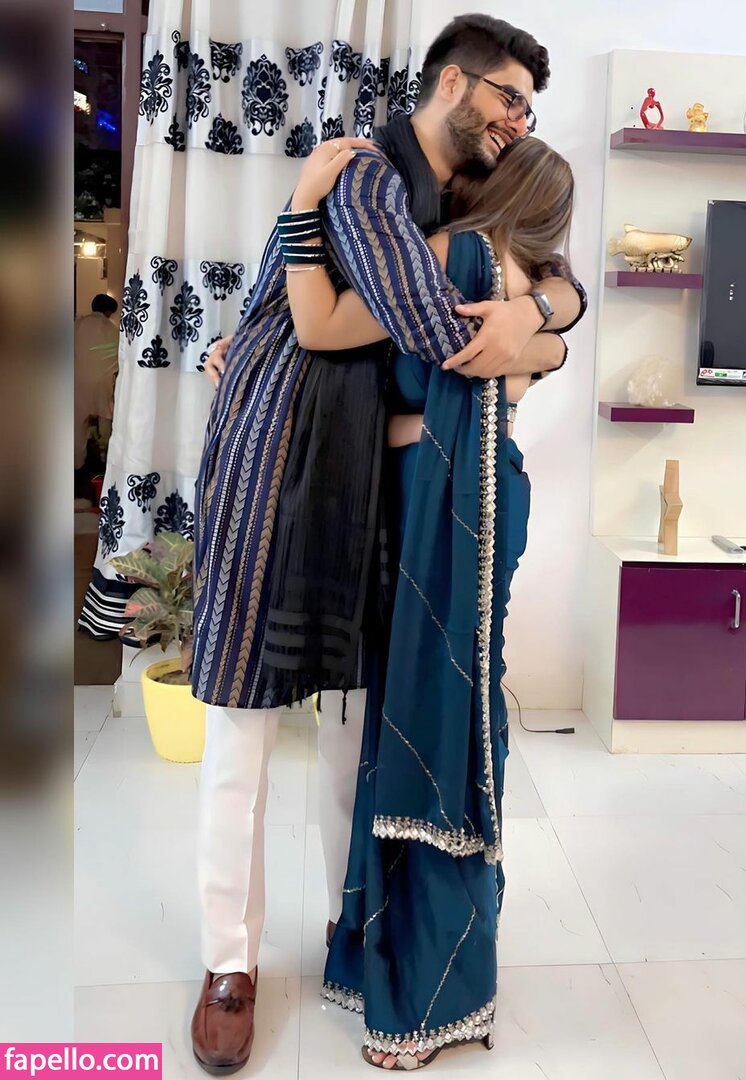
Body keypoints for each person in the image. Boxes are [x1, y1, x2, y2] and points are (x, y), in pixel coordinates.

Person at [190, 14, 586, 1073]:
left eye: (528, 109)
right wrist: (531, 330)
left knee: (357, 726)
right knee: (243, 724)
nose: (518, 120)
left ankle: (351, 929)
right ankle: (227, 962)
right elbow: (432, 326)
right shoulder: (366, 176)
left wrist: (543, 314)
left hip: (367, 483)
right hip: (279, 468)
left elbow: (545, 275)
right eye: (508, 98)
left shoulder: (456, 201)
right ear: (453, 82)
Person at [283, 133, 577, 1071]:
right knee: (461, 717)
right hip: (491, 495)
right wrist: (545, 320)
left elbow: (320, 330)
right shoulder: (533, 288)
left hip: (432, 502)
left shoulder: (450, 257)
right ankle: (450, 972)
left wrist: (301, 212)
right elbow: (546, 344)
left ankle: (415, 994)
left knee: (420, 721)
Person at [74, 293, 119, 472]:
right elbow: (119, 356)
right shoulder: (113, 330)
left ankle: (77, 464)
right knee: (105, 416)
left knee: (77, 424)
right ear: (108, 311)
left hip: (78, 380)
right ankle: (103, 457)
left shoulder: (77, 325)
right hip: (103, 382)